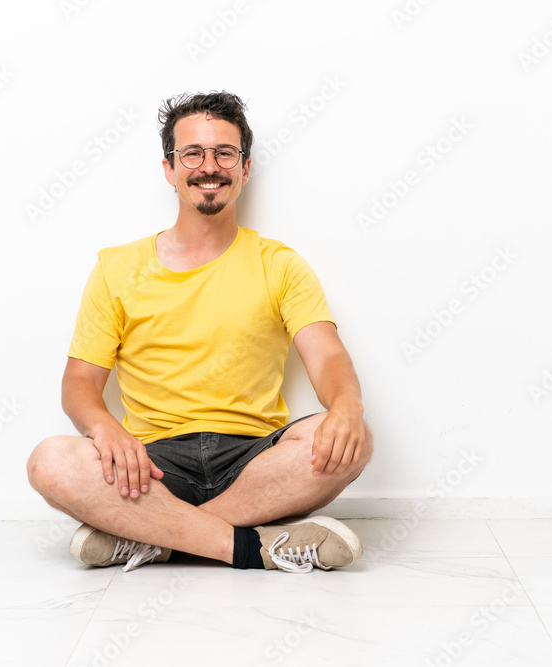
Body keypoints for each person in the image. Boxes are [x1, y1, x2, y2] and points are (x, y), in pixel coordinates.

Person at [26, 91, 372, 573]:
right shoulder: (116, 268)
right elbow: (79, 383)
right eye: (192, 153)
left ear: (245, 168)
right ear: (169, 169)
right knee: (50, 461)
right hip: (150, 468)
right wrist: (105, 429)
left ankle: (149, 538)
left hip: (253, 461)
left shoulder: (281, 265)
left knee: (351, 438)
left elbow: (328, 357)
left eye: (224, 153)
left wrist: (348, 407)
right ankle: (254, 548)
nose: (208, 166)